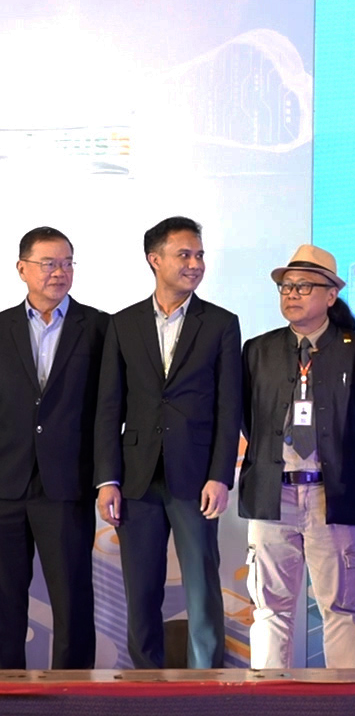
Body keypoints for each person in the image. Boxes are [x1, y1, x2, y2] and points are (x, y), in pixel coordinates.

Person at [94, 216, 243, 669]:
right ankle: (145, 681)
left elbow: (229, 408)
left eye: (199, 255)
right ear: (154, 259)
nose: (195, 264)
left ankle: (206, 683)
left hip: (196, 477)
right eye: (184, 255)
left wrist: (220, 476)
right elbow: (108, 408)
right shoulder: (123, 324)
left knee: (202, 587)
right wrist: (107, 480)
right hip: (136, 478)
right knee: (141, 590)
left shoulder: (220, 323)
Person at [238, 246, 355, 668]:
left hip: (331, 492)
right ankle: (268, 696)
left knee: (341, 606)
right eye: (286, 286)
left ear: (331, 296)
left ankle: (345, 697)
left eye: (304, 286)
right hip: (272, 492)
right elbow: (248, 419)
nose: (292, 294)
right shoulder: (258, 350)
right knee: (269, 608)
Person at [0, 227, 105, 670]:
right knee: (4, 598)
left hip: (67, 482)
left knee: (72, 598)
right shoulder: (2, 327)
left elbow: (109, 409)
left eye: (66, 263)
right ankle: (6, 688)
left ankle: (74, 691)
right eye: (48, 264)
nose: (59, 272)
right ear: (22, 268)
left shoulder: (99, 327)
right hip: (6, 482)